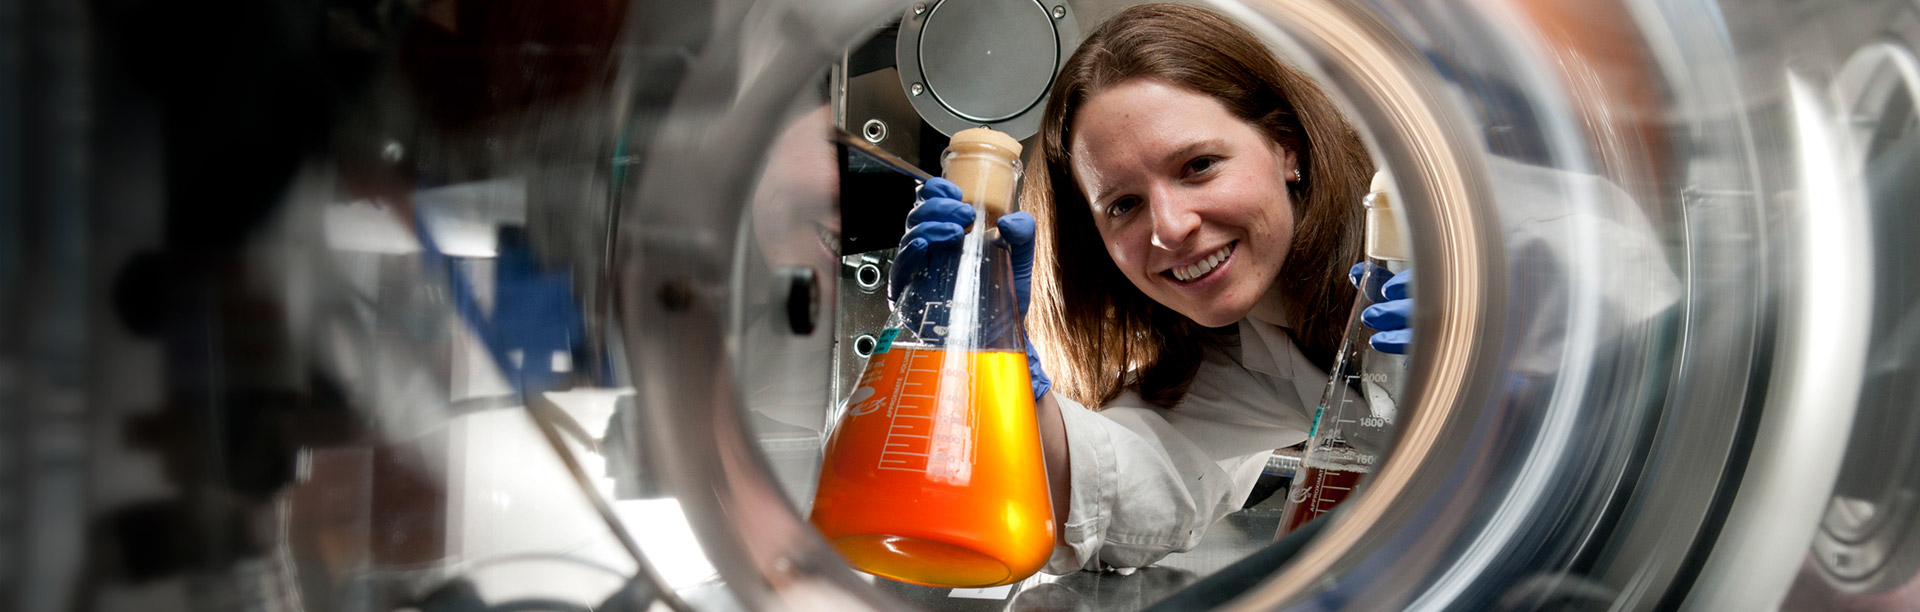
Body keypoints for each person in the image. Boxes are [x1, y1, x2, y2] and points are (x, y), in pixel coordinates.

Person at [895, 3, 1409, 573]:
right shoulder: (1238, 355)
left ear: (1286, 147)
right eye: (1123, 204)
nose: (1170, 228)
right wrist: (992, 362)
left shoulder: (1456, 227)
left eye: (1199, 166)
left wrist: (1502, 338)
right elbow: (1115, 492)